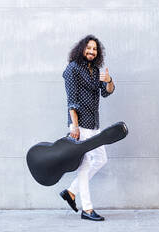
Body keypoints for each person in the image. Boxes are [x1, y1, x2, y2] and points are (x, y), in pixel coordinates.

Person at [59, 35, 115, 221]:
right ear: (82, 49)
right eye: (89, 48)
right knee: (84, 165)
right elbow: (71, 100)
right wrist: (74, 125)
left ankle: (71, 192)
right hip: (79, 125)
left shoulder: (95, 69)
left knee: (101, 159)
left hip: (93, 124)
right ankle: (87, 210)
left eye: (95, 49)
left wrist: (109, 80)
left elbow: (107, 92)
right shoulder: (72, 69)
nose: (92, 51)